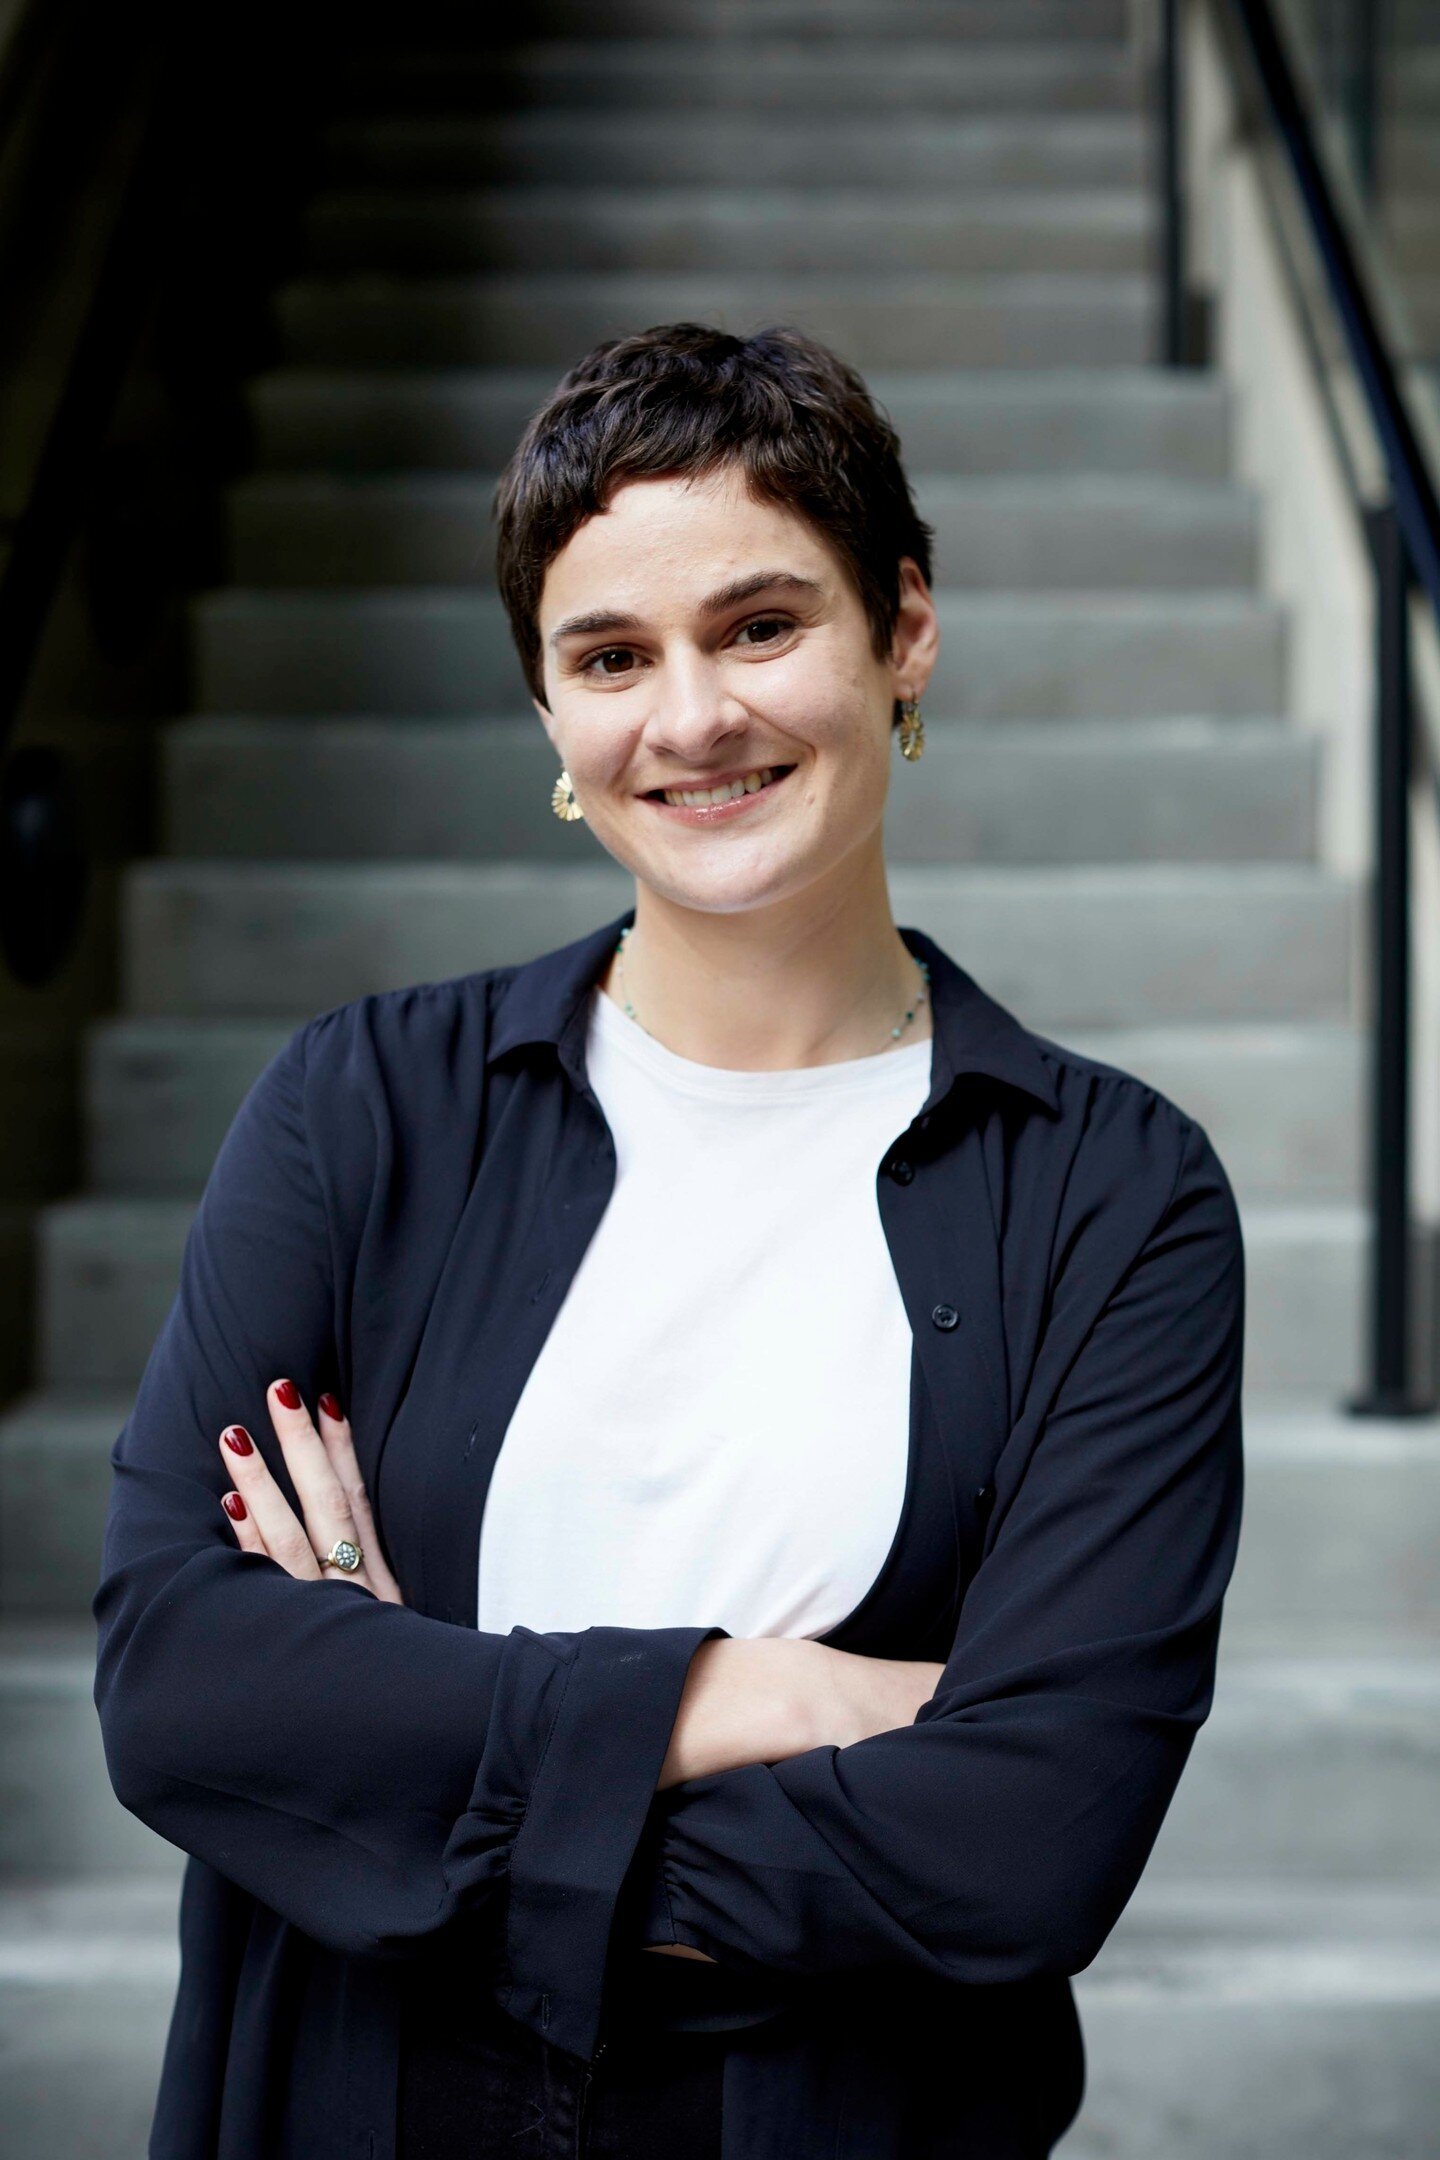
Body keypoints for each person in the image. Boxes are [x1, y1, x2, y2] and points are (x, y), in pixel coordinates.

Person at [92, 322, 1246, 2160]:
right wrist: (748, 1691)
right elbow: (178, 1690)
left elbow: (1023, 1847)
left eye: (762, 626)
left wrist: (406, 1758)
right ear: (551, 716)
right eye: (610, 657)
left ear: (907, 630)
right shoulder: (361, 1109)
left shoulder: (1114, 1193)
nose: (691, 717)